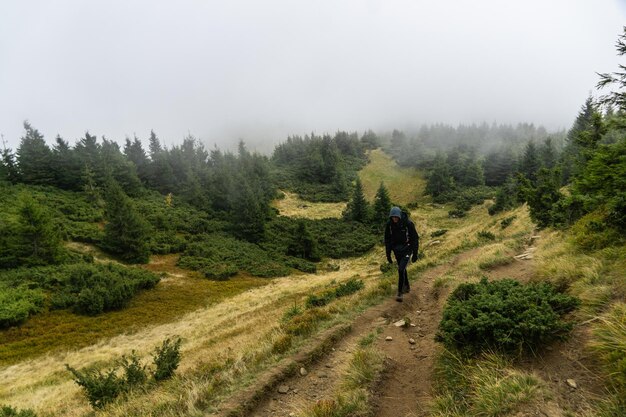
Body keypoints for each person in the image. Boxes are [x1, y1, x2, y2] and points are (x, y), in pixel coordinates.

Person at [384, 206, 419, 302]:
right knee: (402, 268)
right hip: (397, 250)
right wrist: (388, 254)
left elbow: (415, 239)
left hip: (407, 249)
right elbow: (387, 239)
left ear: (399, 216)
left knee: (400, 269)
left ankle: (400, 292)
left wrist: (415, 254)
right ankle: (407, 286)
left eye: (396, 217)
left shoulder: (408, 224)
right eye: (393, 217)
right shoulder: (389, 225)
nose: (394, 219)